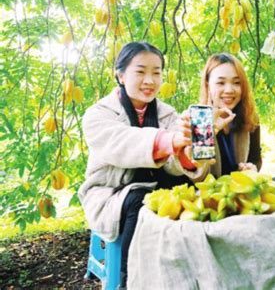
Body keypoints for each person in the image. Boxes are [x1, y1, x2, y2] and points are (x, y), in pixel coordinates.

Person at [78, 42, 210, 288]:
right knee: (141, 199)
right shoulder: (99, 114)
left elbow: (174, 165)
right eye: (140, 71)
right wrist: (170, 140)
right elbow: (122, 144)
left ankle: (190, 276)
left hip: (157, 187)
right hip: (112, 193)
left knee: (190, 196)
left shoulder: (168, 114)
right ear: (120, 75)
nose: (149, 80)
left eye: (157, 72)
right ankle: (130, 281)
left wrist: (189, 148)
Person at [199, 53, 275, 200]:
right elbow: (196, 174)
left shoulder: (250, 118)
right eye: (221, 83)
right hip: (210, 192)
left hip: (242, 188)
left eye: (236, 82)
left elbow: (255, 159)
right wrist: (208, 131)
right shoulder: (199, 119)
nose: (229, 90)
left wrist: (251, 168)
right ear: (208, 85)